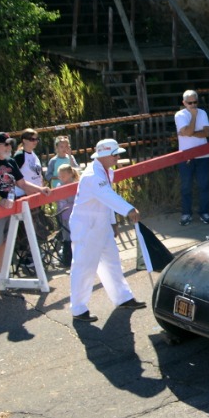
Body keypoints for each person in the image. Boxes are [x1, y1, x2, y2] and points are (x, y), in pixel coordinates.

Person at [68, 139, 144, 324]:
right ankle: (78, 308)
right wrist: (129, 209)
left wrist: (112, 222)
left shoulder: (105, 171)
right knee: (84, 267)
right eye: (116, 154)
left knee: (112, 262)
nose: (119, 157)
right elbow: (107, 196)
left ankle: (123, 298)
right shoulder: (93, 175)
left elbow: (105, 200)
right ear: (104, 155)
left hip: (100, 224)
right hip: (87, 227)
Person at [0, 132, 41, 297]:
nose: (9, 147)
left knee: (5, 244)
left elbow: (22, 183)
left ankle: (1, 278)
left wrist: (42, 191)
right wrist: (0, 200)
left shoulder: (11, 162)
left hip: (11, 209)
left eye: (9, 144)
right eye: (5, 144)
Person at [175, 89, 209, 224]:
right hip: (186, 156)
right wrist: (194, 117)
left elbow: (206, 133)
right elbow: (191, 131)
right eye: (190, 103)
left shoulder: (203, 112)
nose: (193, 105)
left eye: (195, 102)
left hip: (203, 155)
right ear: (184, 103)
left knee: (204, 185)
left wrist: (189, 133)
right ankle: (186, 213)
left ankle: (204, 212)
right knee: (186, 186)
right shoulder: (180, 115)